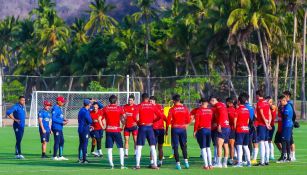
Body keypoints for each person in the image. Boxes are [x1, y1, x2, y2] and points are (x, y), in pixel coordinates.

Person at [135, 93, 164, 170]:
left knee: (139, 147)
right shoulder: (152, 106)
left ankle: (137, 165)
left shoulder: (139, 105)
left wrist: (138, 123)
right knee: (153, 146)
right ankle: (155, 164)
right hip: (150, 127)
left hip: (142, 127)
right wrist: (153, 120)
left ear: (142, 98)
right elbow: (160, 116)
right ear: (148, 99)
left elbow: (134, 116)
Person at [101, 95, 127, 169]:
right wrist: (123, 126)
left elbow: (100, 118)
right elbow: (125, 117)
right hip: (116, 130)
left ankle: (111, 165)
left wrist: (103, 126)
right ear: (116, 101)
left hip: (109, 130)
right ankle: (122, 165)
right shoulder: (119, 108)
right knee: (121, 148)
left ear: (109, 101)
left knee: (109, 148)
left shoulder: (105, 108)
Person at [166, 94, 190, 170]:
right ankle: (186, 163)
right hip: (183, 129)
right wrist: (185, 124)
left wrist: (166, 130)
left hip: (175, 129)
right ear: (179, 100)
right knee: (184, 146)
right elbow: (188, 120)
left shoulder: (172, 109)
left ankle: (178, 164)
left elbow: (168, 121)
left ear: (173, 101)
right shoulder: (185, 108)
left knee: (175, 146)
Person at [210, 96, 230, 168]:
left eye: (212, 101)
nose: (211, 102)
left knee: (219, 145)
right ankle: (224, 163)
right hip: (227, 127)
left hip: (223, 127)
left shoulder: (218, 105)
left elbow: (222, 115)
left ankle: (219, 163)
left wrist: (219, 124)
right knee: (225, 145)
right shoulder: (222, 105)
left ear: (215, 100)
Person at [194, 98, 213, 170]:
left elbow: (197, 122)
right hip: (209, 129)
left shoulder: (199, 110)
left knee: (203, 148)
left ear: (201, 103)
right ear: (207, 103)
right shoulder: (210, 110)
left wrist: (195, 131)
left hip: (202, 130)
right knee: (208, 147)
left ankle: (206, 165)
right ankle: (210, 165)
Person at [255, 90, 272, 166]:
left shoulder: (260, 103)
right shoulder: (266, 102)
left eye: (256, 95)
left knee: (262, 142)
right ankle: (267, 160)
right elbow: (269, 113)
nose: (256, 97)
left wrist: (265, 122)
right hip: (266, 124)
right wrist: (269, 123)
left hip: (262, 124)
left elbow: (262, 114)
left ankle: (262, 161)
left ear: (258, 95)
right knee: (266, 142)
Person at [234, 95, 251, 167]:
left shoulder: (237, 110)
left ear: (239, 101)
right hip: (246, 129)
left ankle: (239, 162)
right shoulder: (247, 110)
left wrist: (235, 129)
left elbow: (235, 121)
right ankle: (249, 162)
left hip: (239, 130)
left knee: (239, 146)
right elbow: (247, 121)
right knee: (246, 146)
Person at [240, 92, 258, 165]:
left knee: (247, 142)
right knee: (250, 142)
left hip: (248, 126)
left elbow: (250, 118)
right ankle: (249, 158)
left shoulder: (245, 107)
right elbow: (254, 117)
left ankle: (246, 159)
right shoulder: (251, 106)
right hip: (253, 126)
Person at [150, 96, 167, 167]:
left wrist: (167, 122)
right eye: (149, 101)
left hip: (160, 129)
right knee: (152, 146)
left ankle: (160, 162)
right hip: (153, 129)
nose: (150, 102)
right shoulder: (149, 107)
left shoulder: (159, 107)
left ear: (154, 101)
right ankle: (151, 162)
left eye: (151, 101)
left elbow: (162, 116)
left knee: (160, 147)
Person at [51, 96, 69, 161]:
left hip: (59, 128)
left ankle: (61, 155)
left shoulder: (59, 108)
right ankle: (54, 156)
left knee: (62, 141)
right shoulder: (55, 108)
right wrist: (62, 122)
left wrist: (64, 119)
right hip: (56, 127)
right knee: (57, 141)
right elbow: (53, 118)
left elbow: (59, 117)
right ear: (58, 101)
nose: (63, 103)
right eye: (62, 102)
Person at [277, 95, 294, 163]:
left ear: (284, 100)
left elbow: (285, 116)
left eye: (280, 101)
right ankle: (288, 157)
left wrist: (281, 111)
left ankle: (284, 157)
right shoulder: (287, 106)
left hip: (287, 125)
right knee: (287, 141)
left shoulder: (287, 106)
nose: (280, 103)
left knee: (284, 141)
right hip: (288, 125)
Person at [282, 91, 297, 161]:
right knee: (289, 139)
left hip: (289, 124)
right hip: (289, 124)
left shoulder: (289, 104)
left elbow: (294, 114)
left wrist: (293, 122)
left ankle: (292, 155)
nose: (283, 98)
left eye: (284, 96)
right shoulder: (287, 104)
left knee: (290, 140)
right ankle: (289, 155)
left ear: (287, 96)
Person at [78, 99, 93, 163]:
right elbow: (90, 120)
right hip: (85, 129)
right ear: (88, 104)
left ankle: (80, 158)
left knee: (81, 144)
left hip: (80, 128)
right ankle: (84, 159)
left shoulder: (81, 110)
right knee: (85, 144)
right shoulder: (86, 112)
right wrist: (90, 124)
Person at [226, 97, 236, 165]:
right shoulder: (234, 109)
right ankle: (231, 158)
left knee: (231, 145)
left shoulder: (230, 110)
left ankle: (231, 159)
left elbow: (233, 120)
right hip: (231, 129)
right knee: (230, 145)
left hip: (231, 129)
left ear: (228, 103)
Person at [266, 96, 277, 160]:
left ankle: (272, 155)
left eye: (270, 102)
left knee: (269, 141)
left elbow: (273, 107)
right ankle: (268, 154)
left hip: (271, 126)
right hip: (266, 126)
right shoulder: (267, 107)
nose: (269, 103)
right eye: (268, 101)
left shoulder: (273, 107)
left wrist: (268, 103)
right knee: (266, 141)